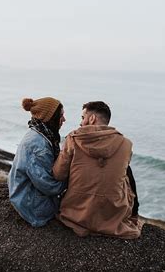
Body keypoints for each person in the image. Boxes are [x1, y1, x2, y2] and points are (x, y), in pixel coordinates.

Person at [52, 101, 143, 239]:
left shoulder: (74, 138)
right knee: (125, 175)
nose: (81, 123)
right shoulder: (126, 144)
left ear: (92, 118)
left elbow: (58, 174)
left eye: (83, 118)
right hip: (112, 214)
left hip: (76, 212)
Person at [8, 97, 67, 227]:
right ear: (50, 117)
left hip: (24, 195)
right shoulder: (38, 145)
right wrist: (70, 182)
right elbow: (48, 186)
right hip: (32, 207)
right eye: (61, 115)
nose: (64, 119)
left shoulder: (39, 133)